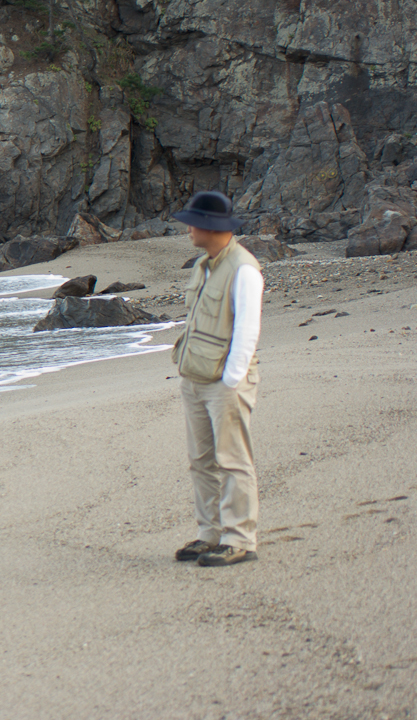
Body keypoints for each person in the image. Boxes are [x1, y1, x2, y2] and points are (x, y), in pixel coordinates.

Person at [169, 191, 263, 568]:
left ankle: (239, 538)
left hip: (225, 381)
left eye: (192, 221)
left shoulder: (244, 268)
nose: (188, 228)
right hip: (195, 377)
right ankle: (210, 534)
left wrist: (231, 380)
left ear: (210, 226)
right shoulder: (202, 265)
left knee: (233, 460)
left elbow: (247, 329)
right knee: (201, 460)